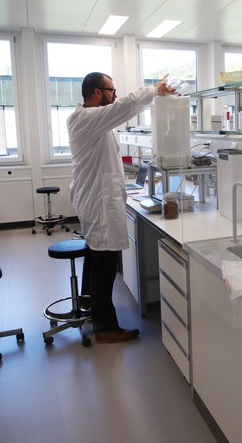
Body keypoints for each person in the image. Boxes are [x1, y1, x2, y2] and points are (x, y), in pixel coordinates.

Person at [68, 72, 175, 344]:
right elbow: (125, 106)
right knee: (104, 266)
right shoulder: (85, 118)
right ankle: (105, 328)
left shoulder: (94, 120)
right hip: (98, 204)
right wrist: (154, 89)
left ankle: (91, 308)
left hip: (98, 200)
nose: (114, 95)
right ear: (96, 93)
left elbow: (123, 109)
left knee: (96, 260)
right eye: (111, 90)